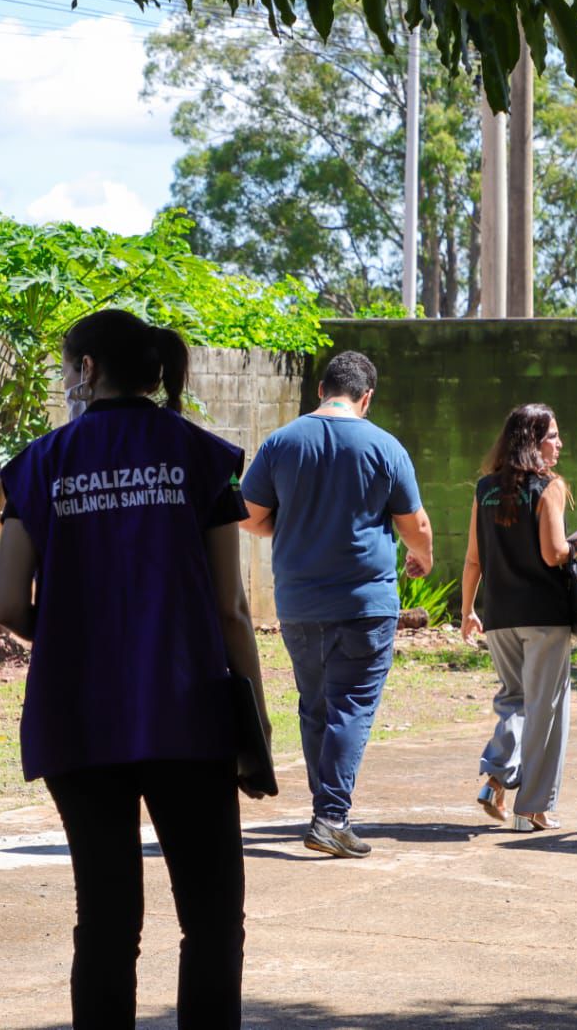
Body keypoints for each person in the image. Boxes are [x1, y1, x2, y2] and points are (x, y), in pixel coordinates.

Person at [0, 309, 271, 1030]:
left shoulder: (36, 464)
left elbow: (4, 604)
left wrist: (71, 636)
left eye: (66, 366)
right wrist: (255, 719)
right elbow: (230, 608)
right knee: (211, 918)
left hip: (77, 717)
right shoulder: (200, 457)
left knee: (107, 919)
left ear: (87, 369)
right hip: (188, 714)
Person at [239, 349, 433, 859]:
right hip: (365, 603)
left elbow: (249, 514)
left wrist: (288, 527)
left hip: (299, 604)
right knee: (352, 706)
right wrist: (422, 558)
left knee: (316, 706)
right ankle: (331, 816)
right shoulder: (384, 446)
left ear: (321, 390)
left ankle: (324, 810)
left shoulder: (281, 442)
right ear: (365, 397)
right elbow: (415, 526)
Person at [459, 404, 577, 833]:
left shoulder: (484, 488)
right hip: (544, 616)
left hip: (499, 616)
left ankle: (498, 774)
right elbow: (554, 553)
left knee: (514, 700)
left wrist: (467, 611)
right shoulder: (549, 487)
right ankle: (532, 809)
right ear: (532, 442)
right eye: (552, 436)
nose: (559, 444)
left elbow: (472, 559)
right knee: (548, 710)